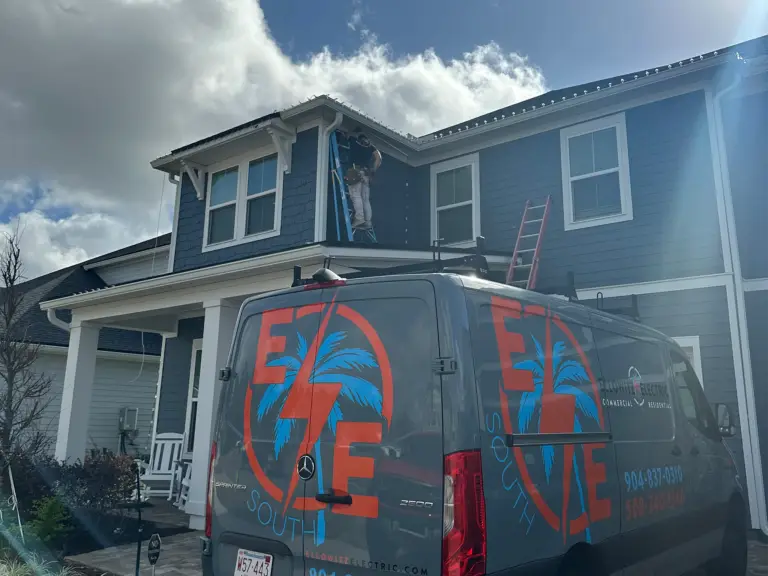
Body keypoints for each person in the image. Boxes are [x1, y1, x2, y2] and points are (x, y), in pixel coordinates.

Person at [345, 128, 382, 230]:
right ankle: (368, 222)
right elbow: (378, 158)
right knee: (365, 199)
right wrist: (373, 170)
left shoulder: (353, 140)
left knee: (355, 196)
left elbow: (347, 135)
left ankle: (359, 219)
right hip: (366, 173)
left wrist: (350, 133)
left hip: (354, 170)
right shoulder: (371, 147)